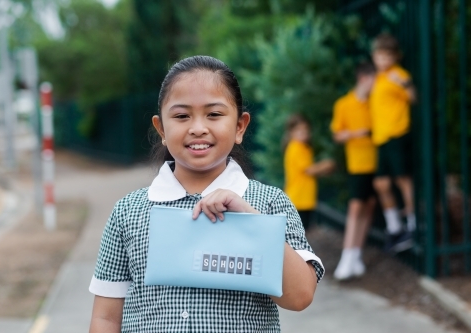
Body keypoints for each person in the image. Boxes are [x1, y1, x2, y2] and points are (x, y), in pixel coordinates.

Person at [88, 56, 324, 333]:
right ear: (161, 128)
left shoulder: (270, 203)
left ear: (240, 126)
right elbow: (105, 318)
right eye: (181, 116)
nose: (198, 127)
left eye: (214, 114)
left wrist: (249, 219)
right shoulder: (128, 212)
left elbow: (300, 296)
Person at [330, 62, 377, 280]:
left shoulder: (374, 103)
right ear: (364, 78)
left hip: (378, 164)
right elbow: (337, 135)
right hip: (358, 164)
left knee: (369, 208)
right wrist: (357, 133)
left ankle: (356, 255)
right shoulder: (344, 104)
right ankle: (346, 257)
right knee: (356, 208)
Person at [370, 33, 417, 253]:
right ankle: (395, 228)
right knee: (381, 183)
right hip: (381, 138)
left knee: (402, 179)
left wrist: (405, 83)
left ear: (395, 57)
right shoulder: (378, 78)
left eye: (388, 56)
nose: (384, 60)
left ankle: (413, 224)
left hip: (396, 134)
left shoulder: (398, 75)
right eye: (380, 56)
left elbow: (413, 97)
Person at [284, 114, 335, 230]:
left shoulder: (304, 148)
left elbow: (307, 173)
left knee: (302, 232)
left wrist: (323, 171)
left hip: (305, 199)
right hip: (298, 199)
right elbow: (309, 170)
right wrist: (326, 164)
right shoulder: (295, 147)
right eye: (299, 130)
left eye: (305, 129)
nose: (303, 132)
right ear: (290, 132)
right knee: (297, 234)